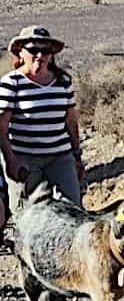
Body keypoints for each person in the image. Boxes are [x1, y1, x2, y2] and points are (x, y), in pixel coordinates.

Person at [0, 26, 84, 212]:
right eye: (33, 50)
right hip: (25, 158)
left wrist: (76, 156)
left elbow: (71, 121)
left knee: (73, 210)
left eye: (45, 50)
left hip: (60, 157)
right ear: (21, 52)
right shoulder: (11, 83)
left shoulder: (63, 82)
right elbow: (2, 127)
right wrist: (10, 160)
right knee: (26, 214)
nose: (40, 55)